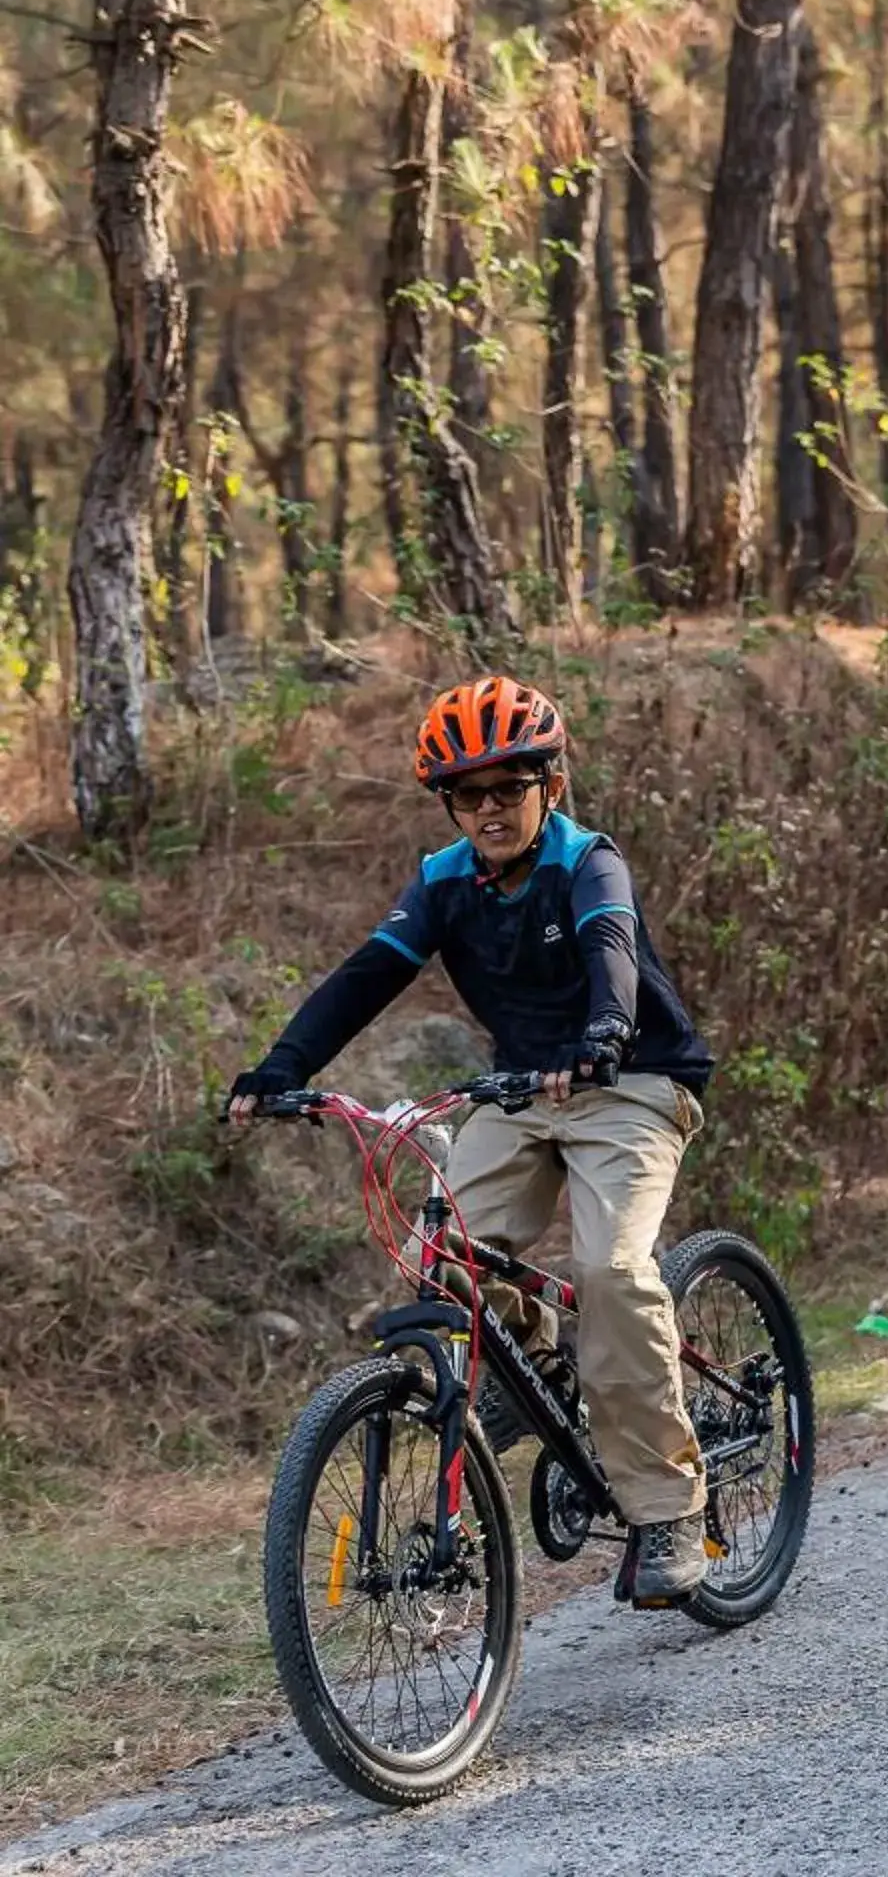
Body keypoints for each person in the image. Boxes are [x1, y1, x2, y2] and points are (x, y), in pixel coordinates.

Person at [228, 676, 720, 1605]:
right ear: (449, 803)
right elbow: (366, 975)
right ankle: (542, 1367)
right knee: (438, 1259)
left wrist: (606, 1036)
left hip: (631, 1083)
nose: (489, 808)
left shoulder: (588, 863)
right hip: (518, 1090)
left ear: (551, 785)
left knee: (611, 1271)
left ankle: (667, 1509)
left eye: (508, 786)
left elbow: (611, 954)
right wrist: (280, 1067)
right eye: (468, 793)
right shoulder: (445, 881)